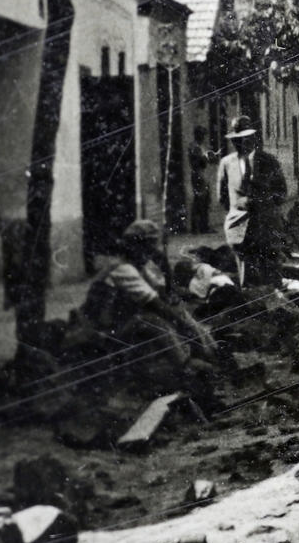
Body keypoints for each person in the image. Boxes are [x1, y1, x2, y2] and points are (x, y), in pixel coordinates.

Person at [70, 219, 229, 402]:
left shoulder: (136, 267)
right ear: (136, 246)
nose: (151, 252)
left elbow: (164, 294)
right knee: (155, 321)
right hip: (104, 328)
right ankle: (185, 364)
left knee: (177, 312)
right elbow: (156, 304)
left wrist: (164, 267)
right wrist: (188, 329)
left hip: (120, 322)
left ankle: (212, 352)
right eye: (148, 246)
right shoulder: (123, 269)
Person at [216, 114, 287, 287]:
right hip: (240, 229)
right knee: (247, 280)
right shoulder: (226, 163)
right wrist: (239, 209)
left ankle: (277, 308)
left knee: (271, 276)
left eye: (246, 138)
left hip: (266, 227)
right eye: (237, 140)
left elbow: (281, 192)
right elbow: (222, 197)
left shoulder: (269, 161)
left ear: (253, 138)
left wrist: (263, 207)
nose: (241, 143)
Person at [187, 126, 217, 234]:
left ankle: (203, 226)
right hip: (198, 173)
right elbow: (201, 159)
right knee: (200, 199)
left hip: (202, 172)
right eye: (203, 135)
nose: (204, 137)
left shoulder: (199, 146)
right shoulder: (194, 146)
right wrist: (208, 157)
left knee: (205, 199)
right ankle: (196, 227)